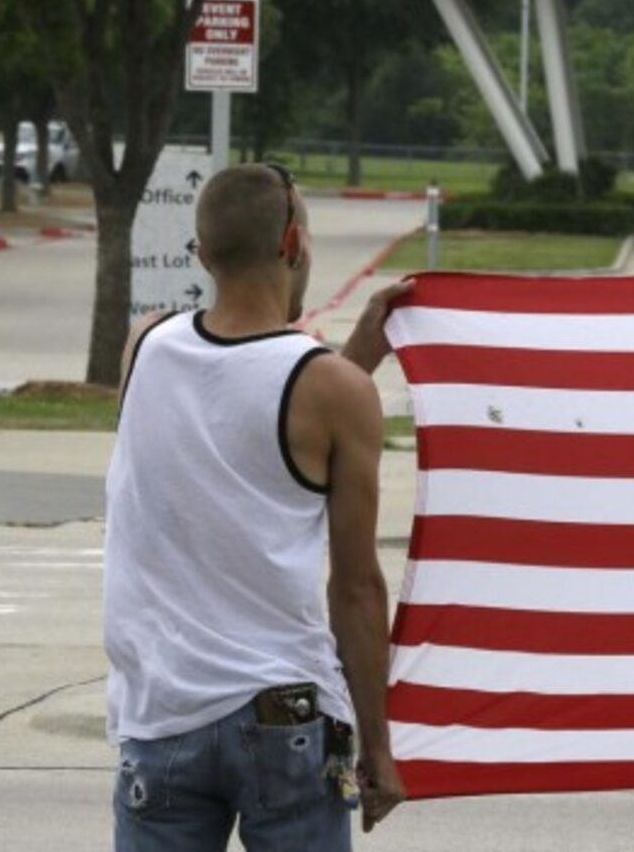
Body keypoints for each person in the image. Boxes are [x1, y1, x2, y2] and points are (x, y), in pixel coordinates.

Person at [104, 162, 412, 850]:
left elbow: (234, 408)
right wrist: (379, 750)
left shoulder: (144, 345)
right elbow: (356, 588)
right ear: (292, 242)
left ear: (204, 254)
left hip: (161, 715)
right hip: (286, 718)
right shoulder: (333, 390)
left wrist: (351, 355)